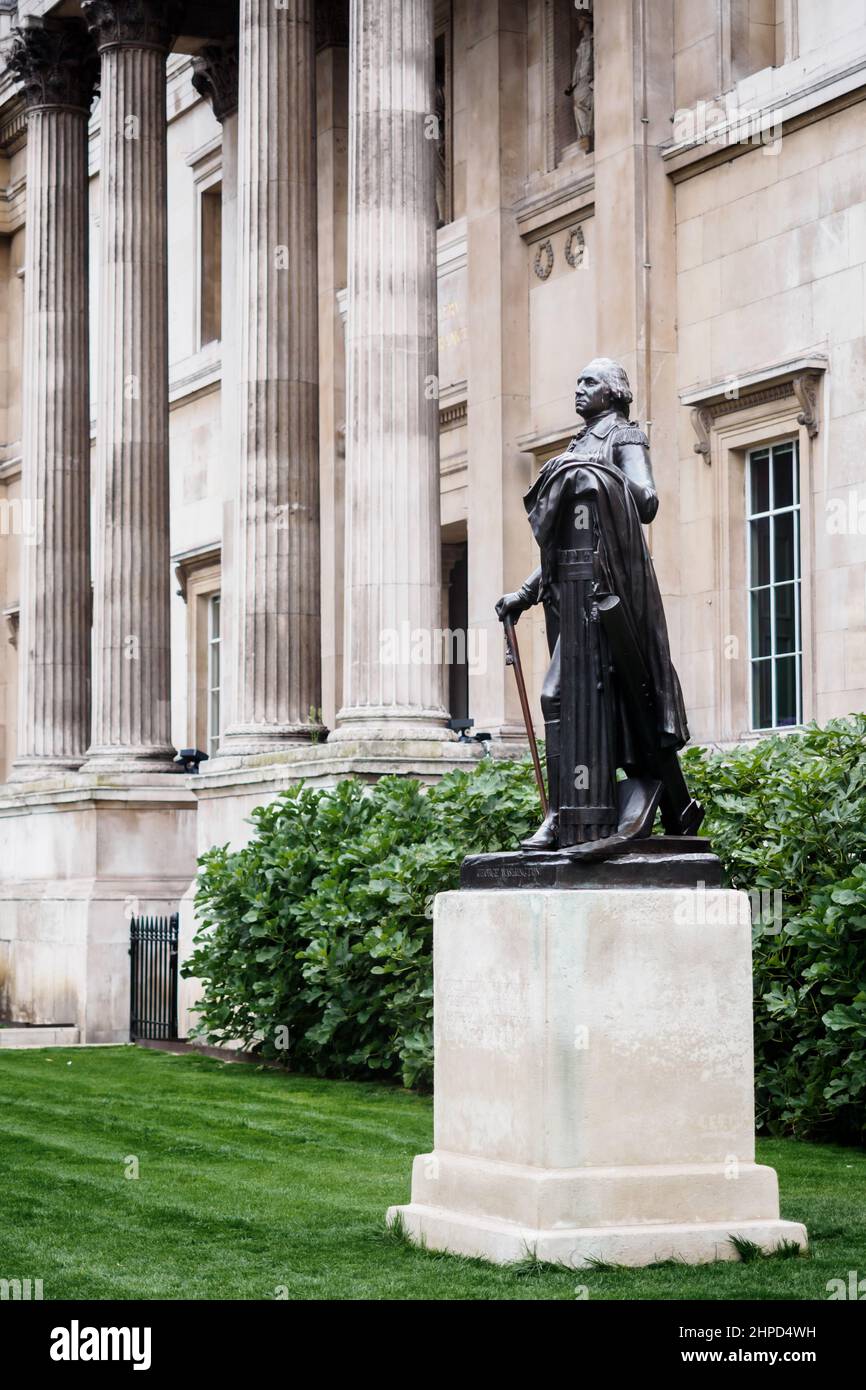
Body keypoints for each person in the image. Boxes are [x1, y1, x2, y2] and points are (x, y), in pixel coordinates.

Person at [496, 358, 702, 852]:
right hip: (575, 593)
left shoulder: (623, 438)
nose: (579, 390)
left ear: (613, 391)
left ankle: (566, 814)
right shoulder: (573, 450)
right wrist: (524, 594)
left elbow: (647, 501)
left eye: (589, 382)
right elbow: (566, 545)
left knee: (563, 696)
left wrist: (595, 473)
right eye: (577, 382)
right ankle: (563, 815)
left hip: (610, 600)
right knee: (569, 701)